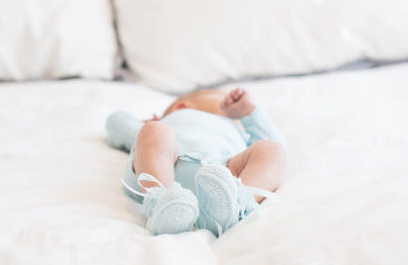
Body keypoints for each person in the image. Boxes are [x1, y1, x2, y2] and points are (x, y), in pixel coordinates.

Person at [106, 87, 287, 236]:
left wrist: (249, 113)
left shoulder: (239, 129)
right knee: (154, 132)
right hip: (167, 168)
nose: (233, 107)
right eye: (219, 98)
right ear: (182, 106)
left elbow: (276, 147)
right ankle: (161, 203)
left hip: (227, 174)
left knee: (273, 150)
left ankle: (236, 206)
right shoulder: (170, 120)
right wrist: (147, 123)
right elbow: (115, 125)